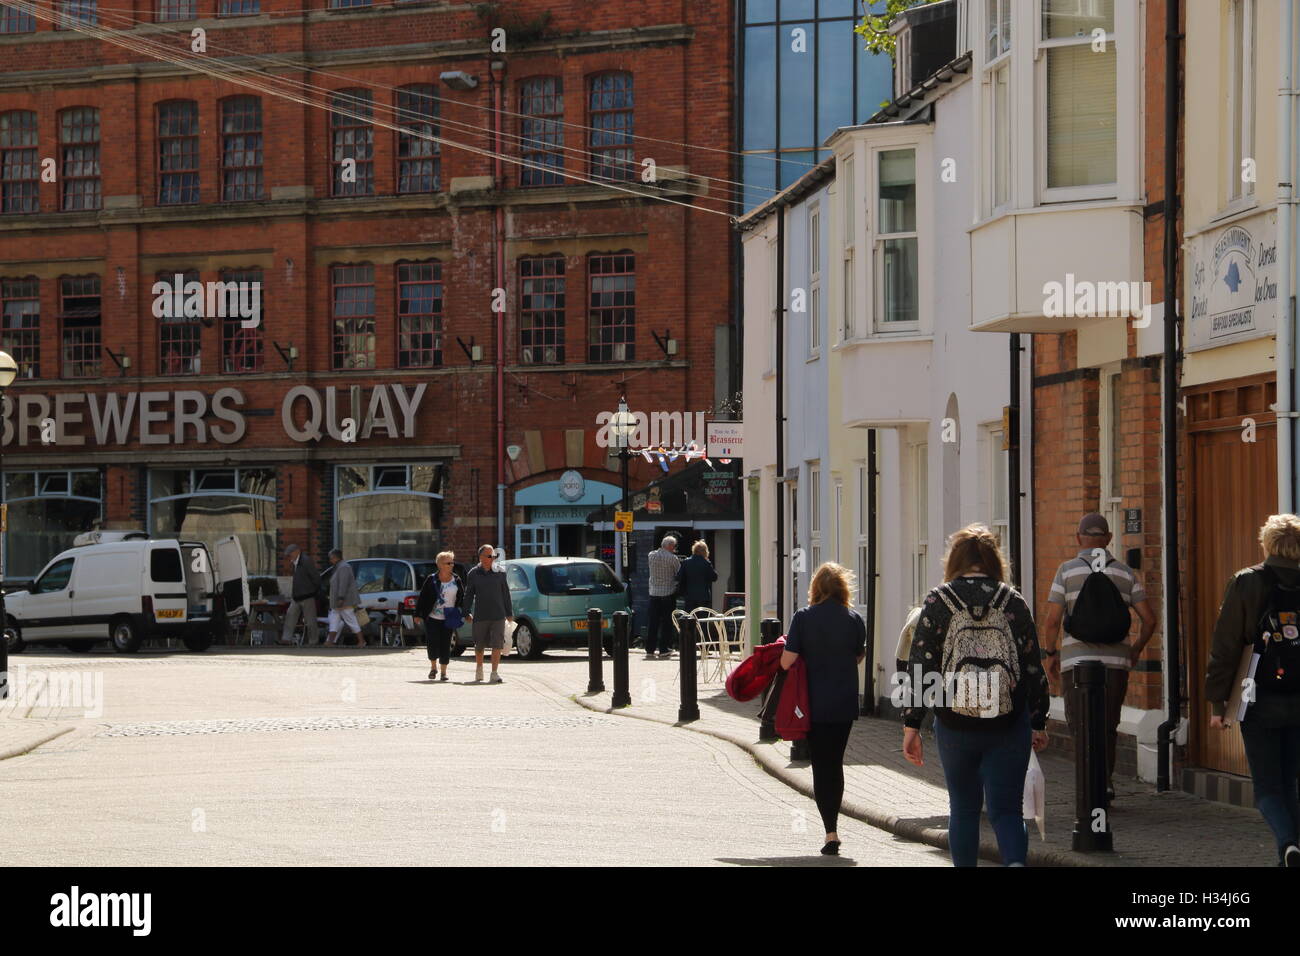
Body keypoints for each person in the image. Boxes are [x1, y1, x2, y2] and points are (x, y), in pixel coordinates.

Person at [902, 524, 1049, 867]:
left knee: (964, 810)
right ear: (994, 560)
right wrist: (1037, 721)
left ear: (954, 560)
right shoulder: (1012, 601)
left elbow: (921, 663)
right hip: (1007, 723)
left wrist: (912, 724)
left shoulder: (939, 601)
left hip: (955, 723)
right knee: (1007, 811)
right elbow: (1031, 666)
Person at [1205, 514, 1300, 867]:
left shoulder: (1247, 582)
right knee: (1289, 781)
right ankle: (1289, 854)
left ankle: (1288, 843)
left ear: (1267, 543)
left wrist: (1218, 703)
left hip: (1258, 697)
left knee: (1266, 787)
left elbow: (1226, 645)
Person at [1040, 513, 1155, 800]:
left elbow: (1052, 621)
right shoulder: (1126, 573)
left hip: (1076, 664)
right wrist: (1135, 649)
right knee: (1108, 724)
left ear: (1079, 539)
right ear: (1108, 539)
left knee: (1080, 724)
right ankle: (1105, 782)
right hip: (1116, 664)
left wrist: (1051, 654)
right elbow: (1149, 620)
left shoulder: (1066, 571)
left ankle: (1088, 785)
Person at [779, 562, 866, 856]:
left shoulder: (803, 618)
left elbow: (787, 661)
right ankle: (834, 826)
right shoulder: (854, 619)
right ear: (843, 588)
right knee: (835, 763)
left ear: (815, 588)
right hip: (843, 703)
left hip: (813, 705)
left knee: (821, 765)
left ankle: (831, 832)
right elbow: (858, 656)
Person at [464, 544, 513, 684]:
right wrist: (466, 612)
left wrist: (509, 613)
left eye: (493, 556)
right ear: (481, 557)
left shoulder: (500, 573)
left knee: (497, 644)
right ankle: (479, 669)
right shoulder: (473, 573)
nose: (492, 558)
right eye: (489, 555)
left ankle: (494, 673)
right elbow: (468, 594)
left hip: (498, 614)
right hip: (481, 615)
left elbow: (506, 594)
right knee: (479, 645)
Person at [414, 551, 464, 682]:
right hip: (432, 617)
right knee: (432, 642)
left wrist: (465, 612)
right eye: (448, 563)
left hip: (449, 617)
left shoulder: (456, 580)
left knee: (446, 644)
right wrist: (418, 614)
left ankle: (443, 672)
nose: (451, 565)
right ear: (440, 565)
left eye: (452, 562)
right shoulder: (431, 579)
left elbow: (462, 598)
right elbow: (423, 597)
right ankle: (433, 667)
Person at [644, 535, 682, 659]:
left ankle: (650, 649)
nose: (674, 549)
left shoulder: (651, 555)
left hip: (653, 593)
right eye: (674, 546)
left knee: (653, 622)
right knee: (666, 623)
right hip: (667, 594)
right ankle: (663, 649)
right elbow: (679, 573)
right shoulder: (673, 558)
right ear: (670, 546)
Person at [280, 544, 320, 647]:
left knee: (310, 621)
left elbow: (315, 577)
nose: (289, 556)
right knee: (290, 616)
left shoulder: (306, 561)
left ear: (297, 551)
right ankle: (286, 639)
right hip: (297, 596)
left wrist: (313, 591)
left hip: (307, 595)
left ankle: (313, 641)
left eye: (290, 554)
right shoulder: (295, 562)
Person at [325, 548, 365, 648]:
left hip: (344, 601)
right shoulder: (340, 567)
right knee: (334, 620)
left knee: (350, 620)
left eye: (331, 558)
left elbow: (343, 584)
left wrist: (341, 598)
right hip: (338, 602)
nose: (330, 560)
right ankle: (330, 641)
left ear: (335, 558)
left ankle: (362, 641)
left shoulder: (343, 567)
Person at [678, 539, 719, 613]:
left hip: (689, 596)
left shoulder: (686, 562)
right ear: (705, 551)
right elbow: (714, 577)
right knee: (702, 621)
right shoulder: (706, 563)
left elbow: (679, 577)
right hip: (703, 596)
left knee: (690, 619)